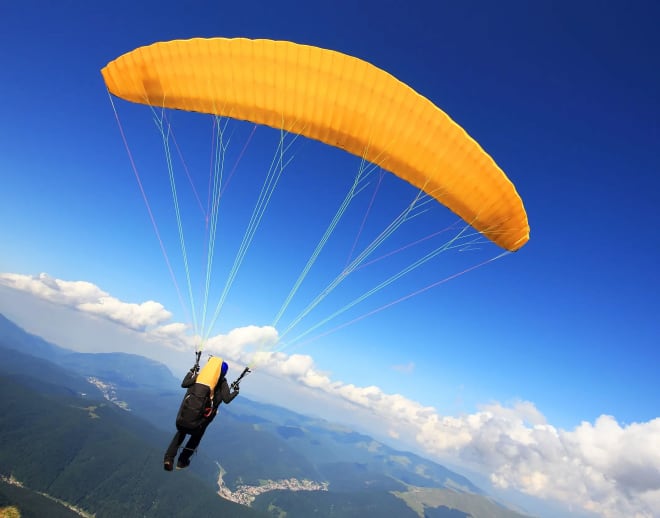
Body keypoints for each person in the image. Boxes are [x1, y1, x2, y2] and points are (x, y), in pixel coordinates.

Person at [164, 357, 239, 471]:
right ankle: (182, 461)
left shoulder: (201, 377)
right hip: (199, 423)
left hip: (183, 417)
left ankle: (168, 459)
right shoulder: (222, 382)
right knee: (196, 437)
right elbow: (226, 399)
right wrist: (236, 391)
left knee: (180, 433)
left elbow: (184, 384)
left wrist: (191, 372)